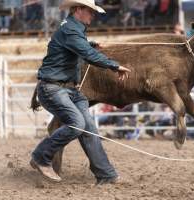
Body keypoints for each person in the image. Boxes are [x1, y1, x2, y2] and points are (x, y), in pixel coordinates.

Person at [30, 0, 131, 185]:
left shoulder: (72, 29)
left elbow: (80, 45)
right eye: (90, 11)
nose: (93, 15)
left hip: (68, 89)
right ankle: (40, 156)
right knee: (77, 123)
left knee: (88, 127)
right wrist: (114, 65)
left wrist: (90, 43)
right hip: (54, 88)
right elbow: (87, 54)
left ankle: (106, 174)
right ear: (78, 10)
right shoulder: (71, 30)